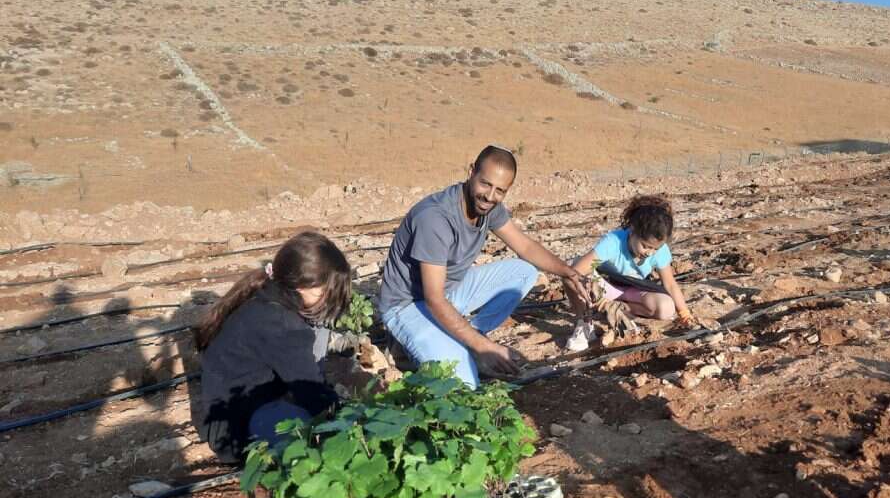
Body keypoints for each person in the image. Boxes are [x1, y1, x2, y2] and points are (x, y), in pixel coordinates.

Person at [378, 144, 589, 387]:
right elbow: (434, 299)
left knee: (524, 272)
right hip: (408, 305)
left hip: (448, 291)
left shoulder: (491, 209)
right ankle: (415, 343)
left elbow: (526, 247)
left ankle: (468, 334)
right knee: (464, 383)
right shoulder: (435, 218)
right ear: (471, 173)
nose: (490, 196)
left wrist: (569, 273)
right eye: (485, 184)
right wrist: (484, 348)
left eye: (500, 190)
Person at [193, 231, 351, 463]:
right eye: (325, 292)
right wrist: (351, 418)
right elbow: (312, 393)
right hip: (236, 427)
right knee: (302, 436)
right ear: (302, 285)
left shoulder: (267, 294)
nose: (327, 300)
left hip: (235, 405)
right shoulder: (282, 325)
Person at [564, 194, 695, 352]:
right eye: (645, 246)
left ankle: (619, 309)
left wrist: (685, 314)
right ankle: (584, 323)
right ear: (632, 230)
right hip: (605, 286)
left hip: (633, 290)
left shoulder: (659, 252)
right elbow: (580, 271)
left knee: (666, 308)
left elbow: (670, 284)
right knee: (571, 271)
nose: (650, 253)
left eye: (655, 249)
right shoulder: (613, 242)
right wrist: (601, 301)